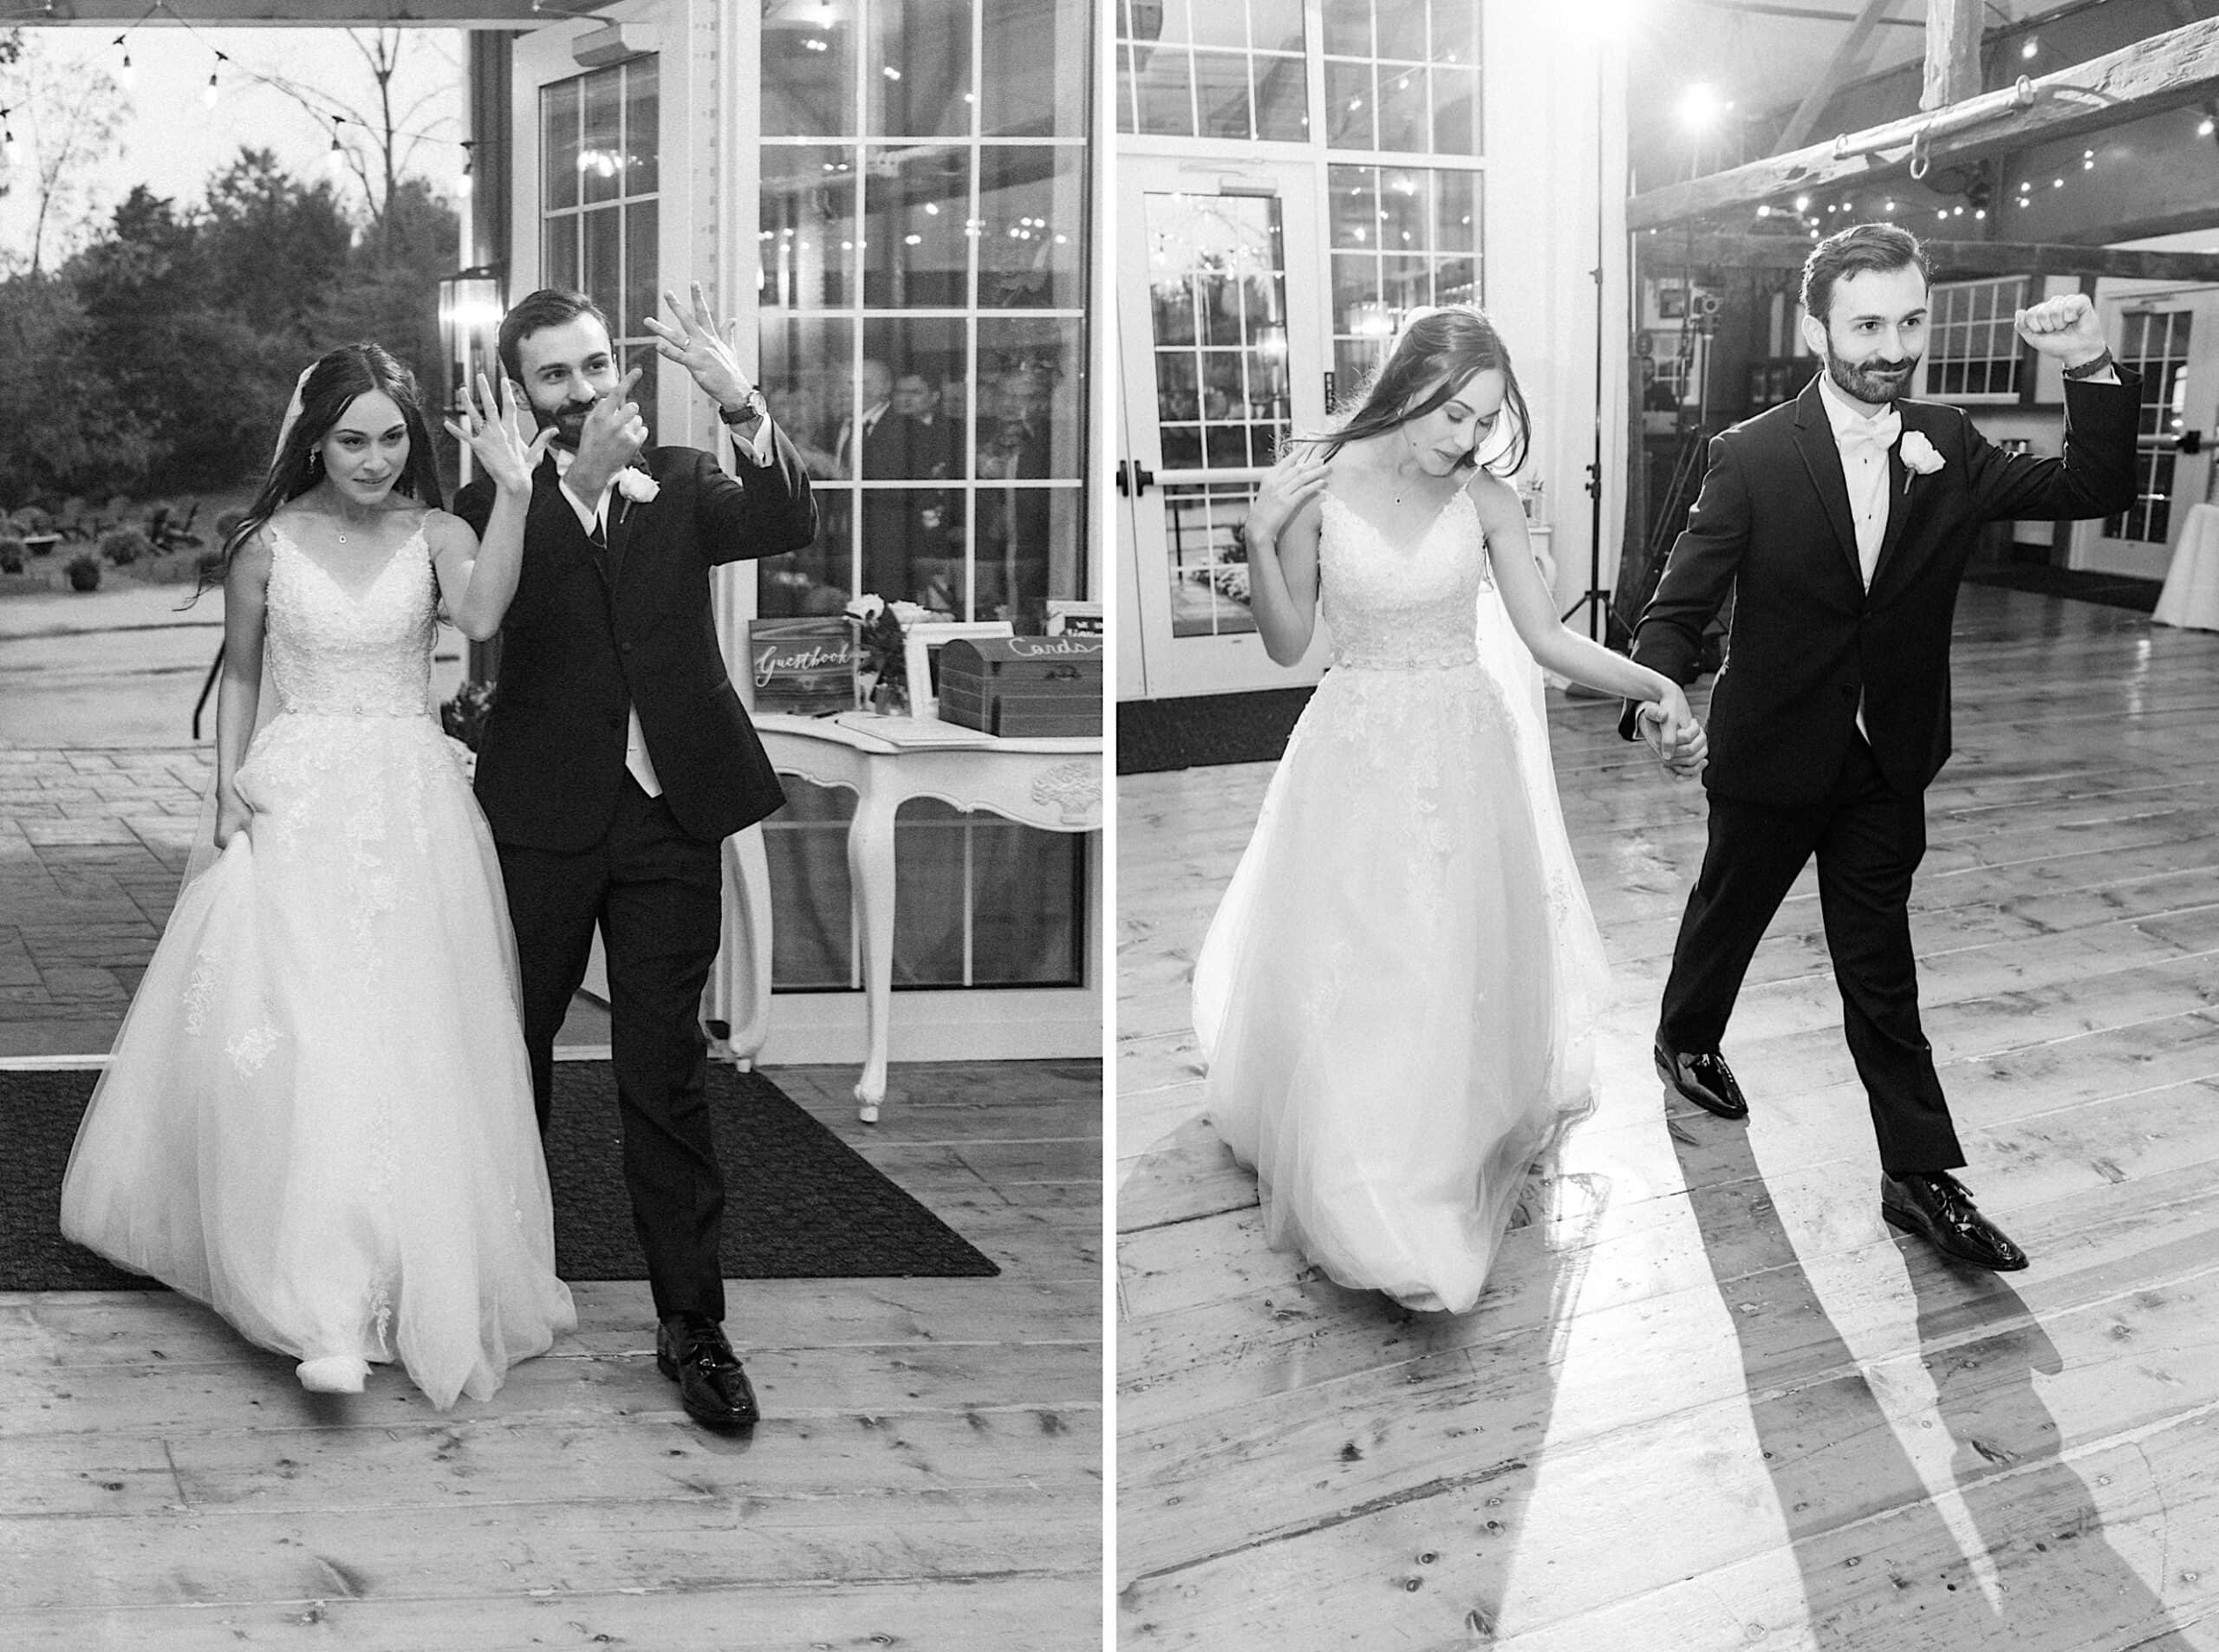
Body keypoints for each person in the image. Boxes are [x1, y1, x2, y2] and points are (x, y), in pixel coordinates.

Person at [60, 344, 576, 1407]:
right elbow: (242, 676)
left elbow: (482, 619)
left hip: (411, 806)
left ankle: (405, 1274)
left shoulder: (439, 534)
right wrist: (226, 790)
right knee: (306, 1028)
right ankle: (321, 1303)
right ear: (315, 441)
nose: (374, 459)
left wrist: (517, 492)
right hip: (296, 797)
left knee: (410, 1033)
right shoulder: (264, 546)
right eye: (352, 440)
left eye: (391, 438)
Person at [1624, 224, 2138, 1272]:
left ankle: (1917, 1173)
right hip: (1771, 748)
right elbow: (1677, 606)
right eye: (1865, 326)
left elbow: (2093, 490)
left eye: (1909, 323)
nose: (1891, 348)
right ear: (1815, 328)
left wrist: (2087, 361)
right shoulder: (1751, 455)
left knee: (1881, 968)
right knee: (1729, 908)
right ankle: (1686, 1035)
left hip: (1887, 755)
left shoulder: (1948, 442)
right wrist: (1657, 694)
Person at [1192, 306, 1704, 1314]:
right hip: (1354, 745)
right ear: (1406, 387)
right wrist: (1257, 532)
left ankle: (1427, 1161)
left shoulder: (1486, 499)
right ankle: (1360, 1168)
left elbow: (1548, 641)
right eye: (1450, 413)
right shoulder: (1317, 483)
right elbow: (1288, 644)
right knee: (1362, 950)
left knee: (1443, 953)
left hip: (1463, 749)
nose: (1465, 437)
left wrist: (1656, 684)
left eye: (1483, 418)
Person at [454, 284, 816, 1430]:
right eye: (554, 373)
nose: (582, 388)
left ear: (622, 366)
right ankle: (502, 1283)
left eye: (596, 364)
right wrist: (569, 488)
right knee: (512, 1053)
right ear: (523, 390)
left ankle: (692, 1323)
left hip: (670, 816)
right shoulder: (493, 494)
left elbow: (787, 521)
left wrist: (740, 400)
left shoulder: (688, 477)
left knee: (664, 1070)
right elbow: (498, 614)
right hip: (542, 814)